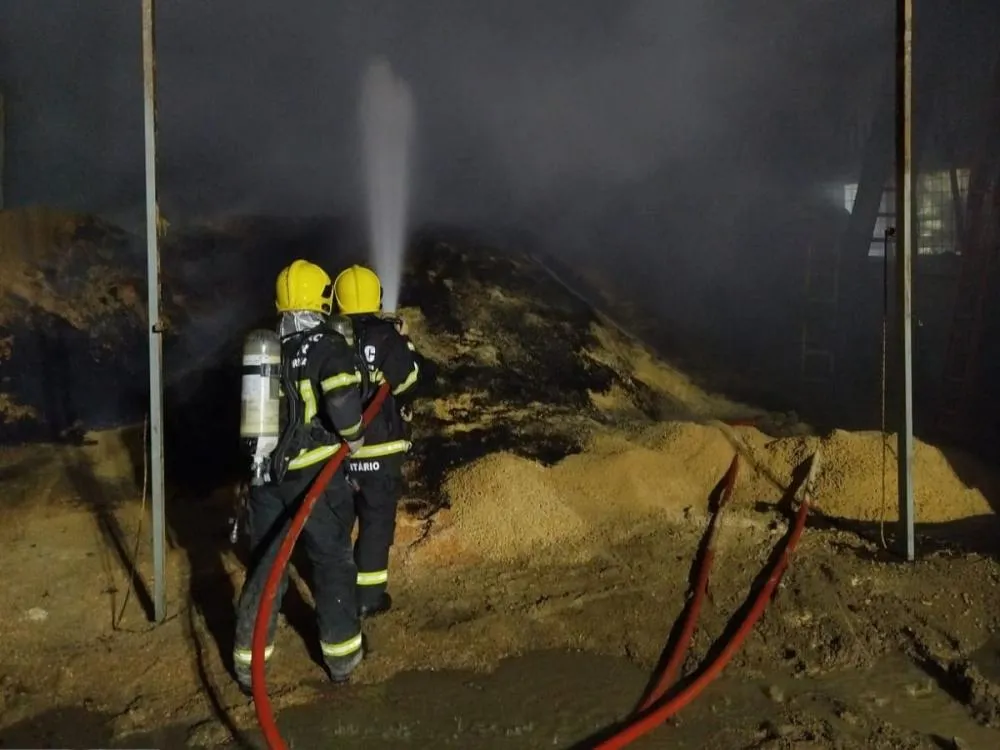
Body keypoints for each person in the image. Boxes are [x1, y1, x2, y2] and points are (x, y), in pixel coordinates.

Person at [232, 259, 368, 693]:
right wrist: (356, 438)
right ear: (323, 298)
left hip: (266, 476)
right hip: (317, 476)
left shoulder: (270, 348)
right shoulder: (328, 345)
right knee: (331, 562)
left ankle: (247, 664)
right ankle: (342, 658)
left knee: (267, 567)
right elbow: (344, 401)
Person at [333, 264, 421, 618]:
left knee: (337, 525)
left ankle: (336, 593)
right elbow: (409, 381)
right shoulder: (386, 338)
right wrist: (406, 342)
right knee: (376, 524)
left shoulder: (331, 339)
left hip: (338, 452)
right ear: (376, 298)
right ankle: (368, 597)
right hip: (381, 450)